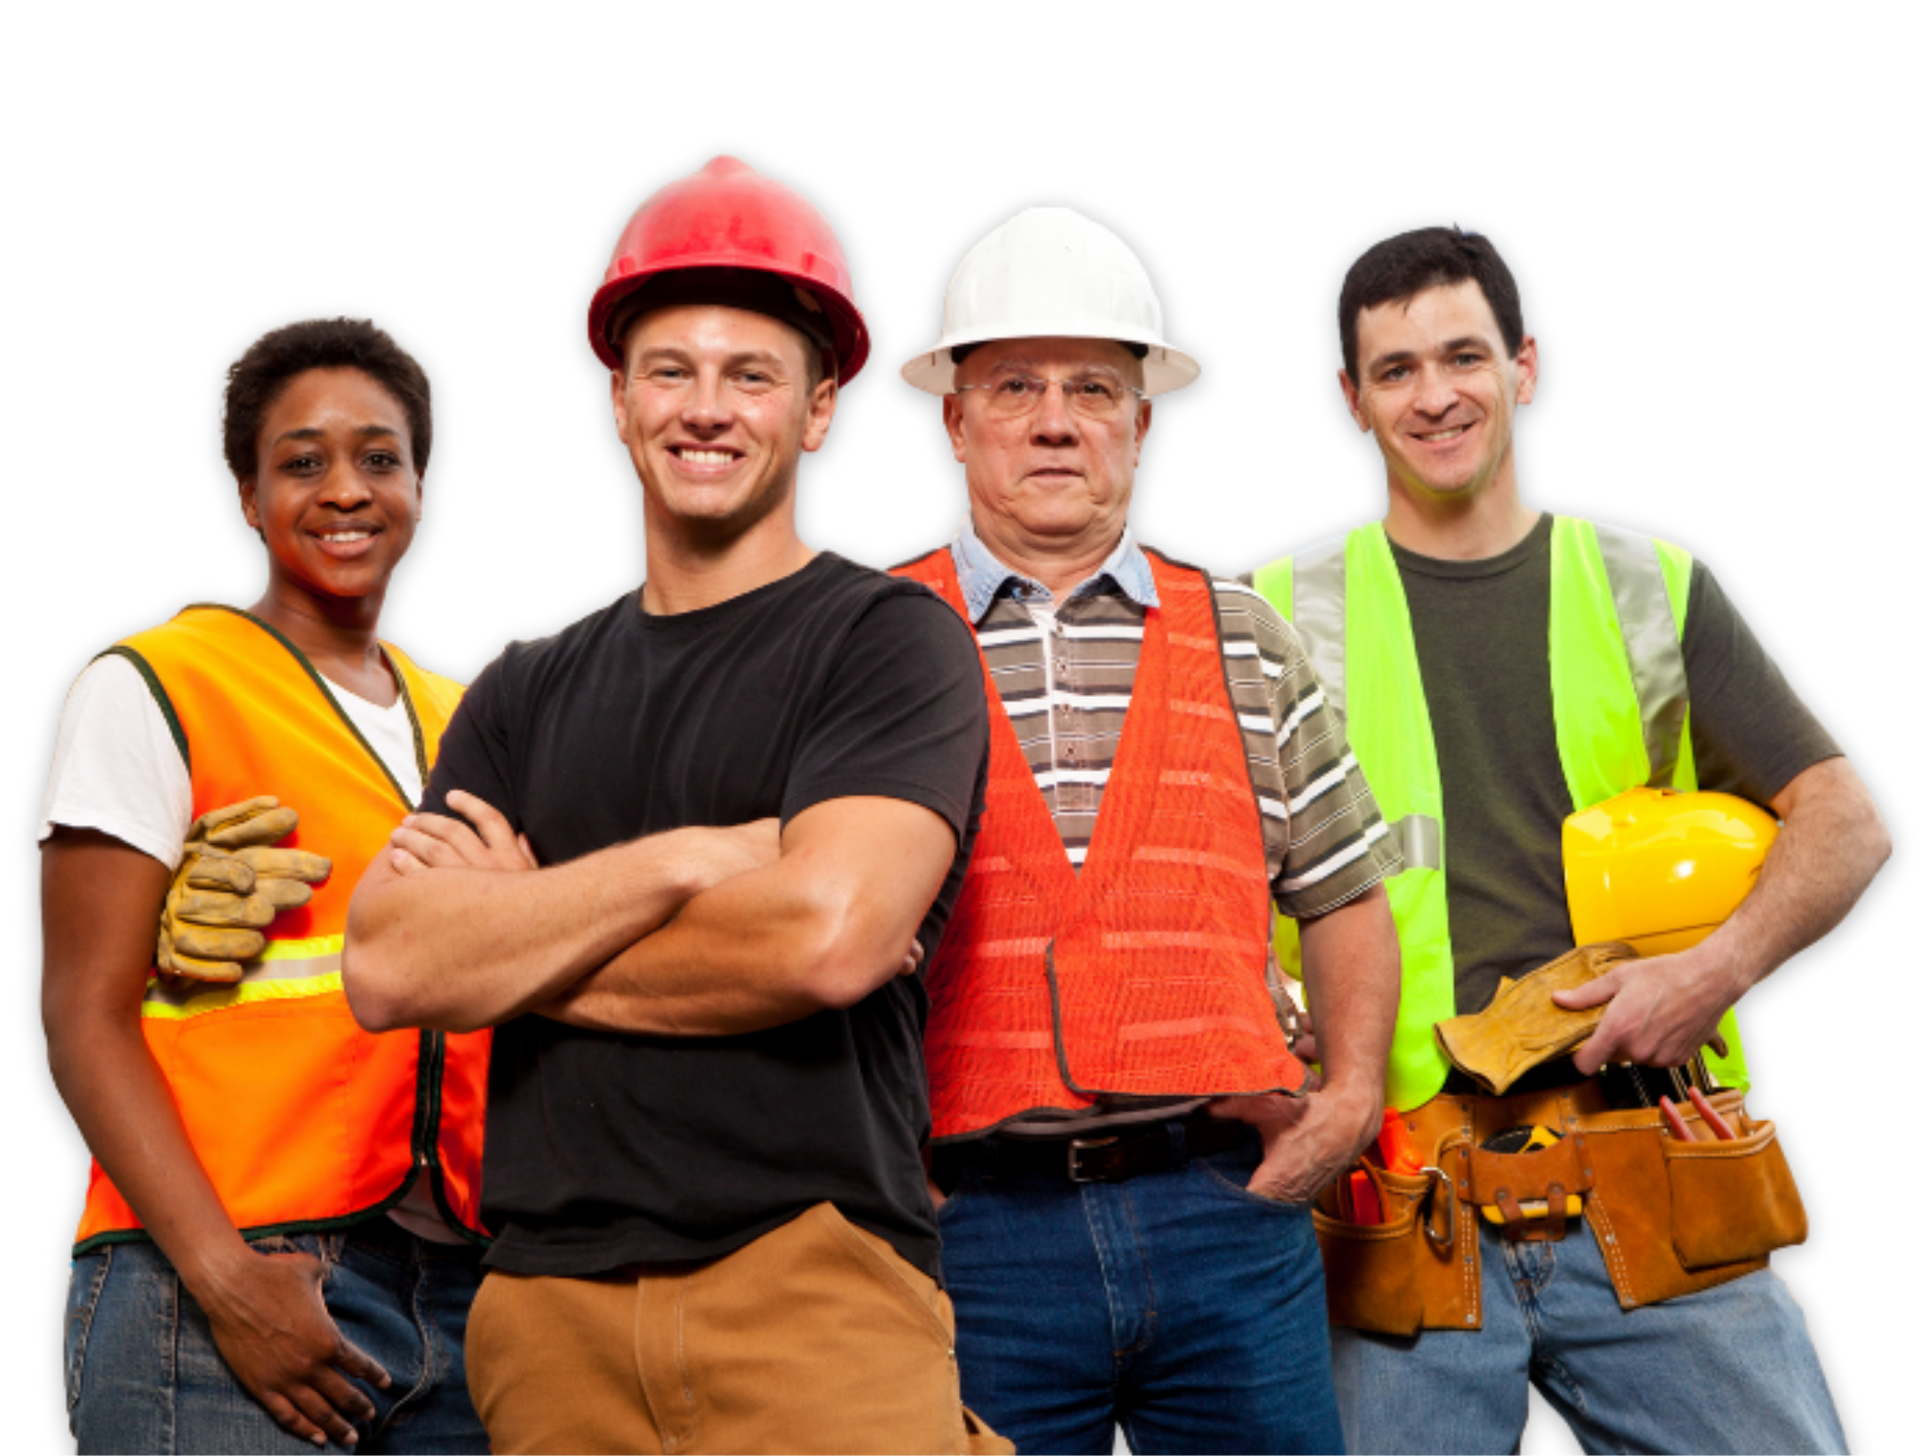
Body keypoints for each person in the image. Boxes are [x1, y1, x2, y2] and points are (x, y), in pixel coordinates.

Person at [341, 155, 1007, 1456]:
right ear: (617, 401)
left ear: (819, 408)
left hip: (814, 1294)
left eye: (750, 375)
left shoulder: (887, 643)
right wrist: (697, 861)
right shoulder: (521, 691)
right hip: (544, 1322)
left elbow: (828, 937)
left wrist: (518, 936)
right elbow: (386, 964)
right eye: (671, 370)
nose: (708, 409)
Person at [1243, 223, 1891, 1454]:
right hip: (1399, 1200)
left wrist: (1712, 972)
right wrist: (1272, 1001)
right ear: (1351, 400)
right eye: (1396, 371)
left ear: (1525, 365)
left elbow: (1848, 823)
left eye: (1464, 357)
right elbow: (1184, 881)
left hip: (1649, 1171)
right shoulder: (1272, 613)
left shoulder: (1647, 581)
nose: (1435, 396)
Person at [889, 204, 1404, 1455]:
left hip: (1226, 1219)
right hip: (969, 1233)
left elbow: (1344, 894)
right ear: (955, 418)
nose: (1056, 419)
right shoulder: (868, 638)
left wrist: (1349, 1102)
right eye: (1014, 385)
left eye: (1094, 387)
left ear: (1142, 420)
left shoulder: (1243, 635)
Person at [40, 316, 492, 1452]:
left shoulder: (471, 716)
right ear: (248, 495)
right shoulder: (156, 682)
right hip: (216, 1274)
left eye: (378, 458)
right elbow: (81, 1015)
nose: (345, 489)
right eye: (303, 461)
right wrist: (227, 1281)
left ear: (422, 489)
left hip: (454, 1290)